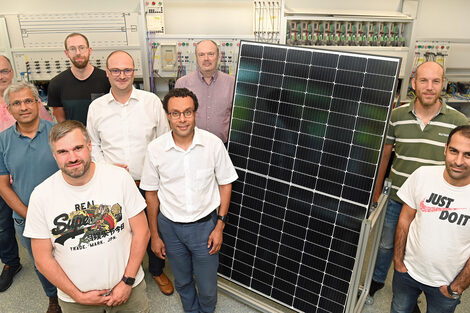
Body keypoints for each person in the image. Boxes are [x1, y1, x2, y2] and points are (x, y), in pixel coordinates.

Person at [24, 120, 150, 313]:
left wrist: (127, 281)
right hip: (76, 301)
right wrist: (77, 295)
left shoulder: (119, 178)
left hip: (129, 288)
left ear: (90, 146)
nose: (72, 157)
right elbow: (42, 259)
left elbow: (142, 232)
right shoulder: (41, 196)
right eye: (63, 152)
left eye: (78, 148)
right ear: (54, 155)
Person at [369, 61, 469, 303]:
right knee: (385, 246)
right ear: (414, 84)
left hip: (434, 203)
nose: (429, 87)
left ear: (443, 85)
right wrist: (376, 192)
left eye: (436, 81)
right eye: (423, 80)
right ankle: (376, 282)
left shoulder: (457, 120)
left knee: (426, 247)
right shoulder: (397, 116)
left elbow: (462, 161)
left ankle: (417, 288)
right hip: (396, 198)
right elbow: (385, 155)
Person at [140, 88, 238, 312]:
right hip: (170, 228)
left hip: (205, 227)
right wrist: (155, 235)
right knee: (182, 281)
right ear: (167, 115)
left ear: (196, 113)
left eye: (187, 112)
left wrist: (219, 226)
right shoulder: (155, 149)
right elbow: (151, 195)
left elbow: (225, 184)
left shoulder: (213, 145)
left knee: (207, 286)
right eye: (175, 113)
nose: (182, 119)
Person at [86, 50, 173, 295]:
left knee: (154, 228)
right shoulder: (96, 108)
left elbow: (164, 141)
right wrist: (106, 168)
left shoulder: (152, 102)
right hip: (113, 184)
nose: (122, 75)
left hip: (148, 183)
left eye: (127, 70)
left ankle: (156, 270)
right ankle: (124, 276)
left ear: (134, 72)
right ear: (108, 73)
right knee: (117, 233)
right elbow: (93, 146)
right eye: (116, 70)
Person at [391, 125, 470, 313]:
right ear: (445, 149)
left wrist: (458, 286)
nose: (458, 161)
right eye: (453, 151)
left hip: (447, 283)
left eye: (468, 155)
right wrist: (398, 261)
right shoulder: (422, 175)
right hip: (407, 273)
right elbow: (405, 220)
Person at [0, 82, 61, 312]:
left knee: (72, 257)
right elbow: (3, 186)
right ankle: (53, 298)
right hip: (25, 218)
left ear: (38, 103)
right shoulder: (2, 141)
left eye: (28, 101)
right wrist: (31, 216)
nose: (23, 107)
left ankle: (75, 297)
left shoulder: (58, 132)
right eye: (17, 103)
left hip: (63, 215)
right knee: (41, 262)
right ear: (9, 109)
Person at [175, 40, 234, 144]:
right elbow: (177, 119)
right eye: (201, 55)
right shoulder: (182, 84)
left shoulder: (232, 83)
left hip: (224, 147)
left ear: (218, 56)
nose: (206, 59)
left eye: (211, 54)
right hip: (192, 146)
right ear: (196, 58)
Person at [47, 33, 110, 125]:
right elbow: (61, 121)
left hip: (102, 137)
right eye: (72, 49)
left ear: (89, 50)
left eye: (82, 47)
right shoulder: (56, 84)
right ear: (66, 53)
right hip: (74, 137)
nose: (78, 53)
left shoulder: (107, 80)